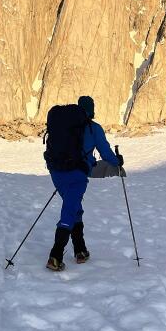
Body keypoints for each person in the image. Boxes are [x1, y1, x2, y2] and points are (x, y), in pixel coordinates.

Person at [45, 96, 123, 271]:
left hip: (56, 172)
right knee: (69, 210)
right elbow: (105, 153)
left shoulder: (64, 125)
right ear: (92, 110)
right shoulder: (93, 128)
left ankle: (80, 250)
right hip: (77, 174)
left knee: (74, 207)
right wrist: (117, 161)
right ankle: (55, 256)